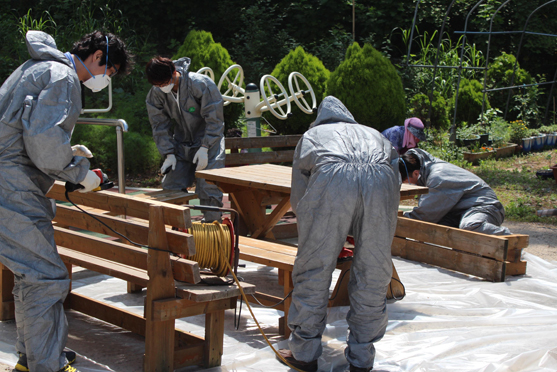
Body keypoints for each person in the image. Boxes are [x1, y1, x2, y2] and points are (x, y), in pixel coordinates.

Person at [0, 30, 133, 372]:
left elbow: (26, 129)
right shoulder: (63, 77)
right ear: (97, 58)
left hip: (11, 179)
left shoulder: (36, 67)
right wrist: (79, 172)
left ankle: (33, 358)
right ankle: (48, 365)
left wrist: (69, 154)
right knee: (47, 278)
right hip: (11, 185)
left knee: (30, 274)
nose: (106, 79)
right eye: (111, 72)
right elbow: (44, 144)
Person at [278, 96, 401, 372]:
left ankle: (304, 353)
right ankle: (362, 358)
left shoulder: (313, 135)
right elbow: (395, 183)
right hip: (380, 182)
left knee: (314, 269)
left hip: (332, 180)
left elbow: (299, 197)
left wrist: (320, 228)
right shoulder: (374, 134)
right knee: (373, 272)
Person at [145, 56, 225, 222]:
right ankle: (179, 230)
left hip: (209, 143)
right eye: (158, 85)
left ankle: (213, 229)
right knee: (171, 185)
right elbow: (159, 124)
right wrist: (168, 153)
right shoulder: (157, 92)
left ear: (174, 72)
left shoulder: (201, 84)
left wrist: (205, 147)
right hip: (181, 144)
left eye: (164, 83)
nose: (162, 88)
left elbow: (214, 120)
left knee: (207, 187)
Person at [399, 148, 511, 235]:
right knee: (435, 229)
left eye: (407, 182)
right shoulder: (427, 174)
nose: (410, 185)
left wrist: (398, 221)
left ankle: (510, 240)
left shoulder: (438, 177)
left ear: (416, 173)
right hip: (460, 212)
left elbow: (426, 215)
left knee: (470, 226)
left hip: (484, 207)